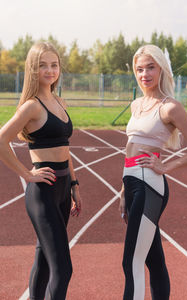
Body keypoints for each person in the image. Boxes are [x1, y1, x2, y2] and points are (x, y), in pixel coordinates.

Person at [0, 42, 82, 300]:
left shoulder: (59, 101)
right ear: (33, 70)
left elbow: (65, 149)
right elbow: (2, 139)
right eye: (43, 65)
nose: (49, 70)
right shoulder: (32, 106)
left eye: (54, 65)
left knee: (45, 259)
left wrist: (74, 185)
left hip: (63, 187)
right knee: (63, 268)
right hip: (43, 192)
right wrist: (27, 174)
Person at [119, 44, 187, 300]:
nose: (145, 74)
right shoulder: (135, 105)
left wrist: (167, 167)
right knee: (153, 260)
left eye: (151, 67)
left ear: (161, 69)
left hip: (149, 187)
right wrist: (122, 192)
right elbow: (129, 149)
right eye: (140, 69)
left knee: (131, 261)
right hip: (131, 185)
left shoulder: (170, 107)